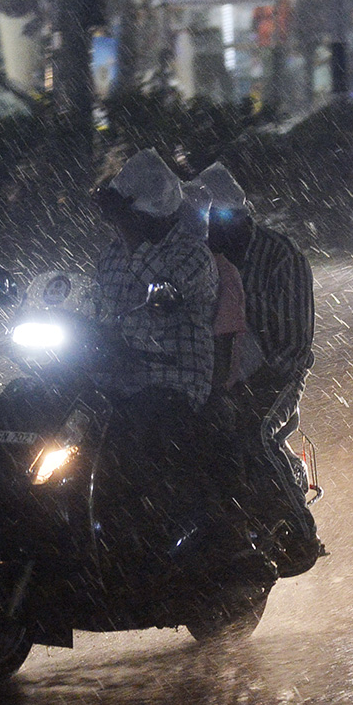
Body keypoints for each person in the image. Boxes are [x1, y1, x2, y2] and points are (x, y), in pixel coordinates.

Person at [92, 149, 219, 573]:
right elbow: (101, 311)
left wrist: (130, 235)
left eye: (126, 214)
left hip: (172, 382)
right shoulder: (111, 255)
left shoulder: (191, 255)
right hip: (119, 379)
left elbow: (165, 290)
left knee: (138, 442)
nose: (118, 222)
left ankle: (154, 545)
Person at [195, 162, 324, 576]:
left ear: (234, 219)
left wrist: (251, 390)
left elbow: (292, 346)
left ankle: (301, 534)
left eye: (213, 222)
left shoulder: (282, 257)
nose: (208, 232)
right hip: (218, 372)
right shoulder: (202, 258)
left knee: (253, 433)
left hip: (275, 374)